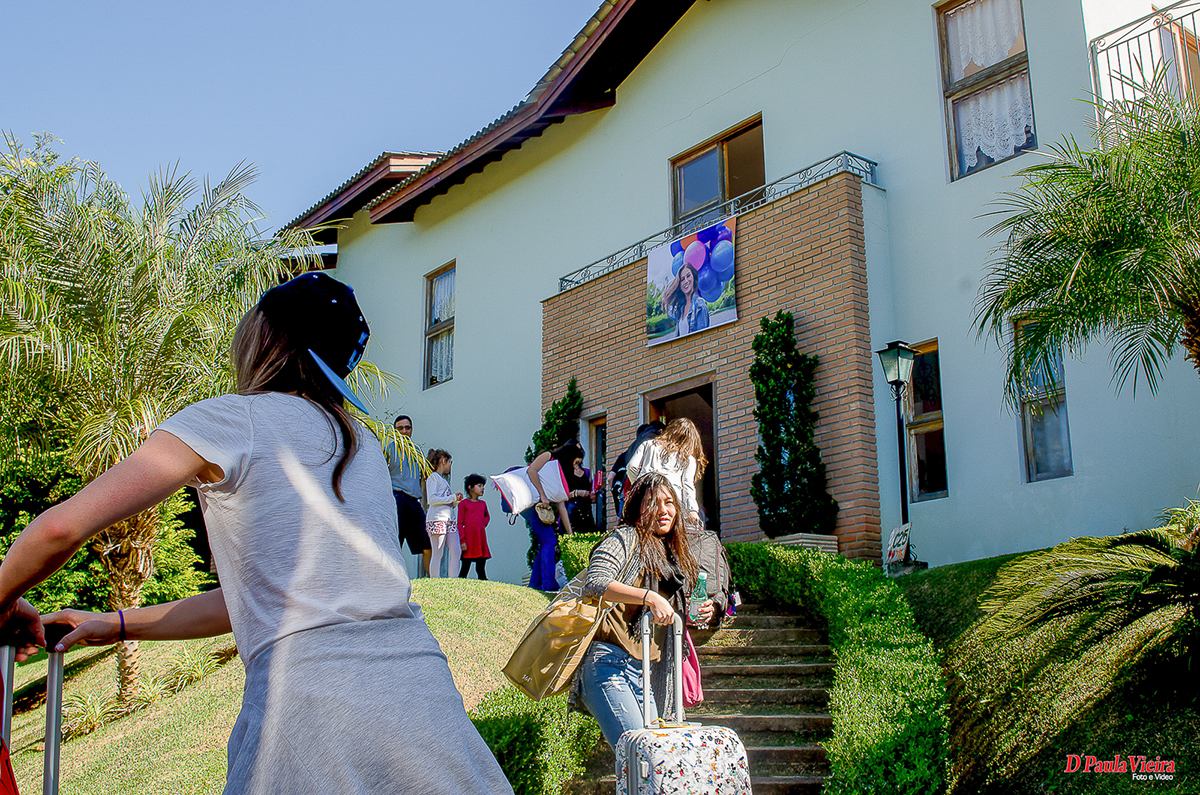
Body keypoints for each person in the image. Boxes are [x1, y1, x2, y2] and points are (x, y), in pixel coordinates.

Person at [0, 272, 513, 795]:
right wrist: (116, 624)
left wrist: (2, 599)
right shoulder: (360, 444)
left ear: (264, 337)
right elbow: (258, 602)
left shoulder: (230, 420)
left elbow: (61, 528)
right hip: (422, 693)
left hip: (311, 706)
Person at [571, 472, 713, 751]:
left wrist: (700, 612)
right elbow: (595, 583)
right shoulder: (625, 539)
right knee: (642, 756)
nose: (663, 510)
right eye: (652, 502)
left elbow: (672, 613)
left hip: (643, 671)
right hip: (608, 665)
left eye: (669, 502)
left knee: (654, 761)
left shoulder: (672, 557)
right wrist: (649, 597)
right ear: (637, 508)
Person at [626, 418, 706, 528]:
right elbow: (688, 487)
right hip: (672, 502)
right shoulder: (687, 458)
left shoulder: (648, 444)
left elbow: (631, 467)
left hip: (648, 498)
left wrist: (642, 486)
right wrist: (692, 511)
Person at [524, 440, 581, 591]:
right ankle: (548, 584)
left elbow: (561, 504)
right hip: (532, 503)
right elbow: (531, 471)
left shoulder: (560, 474)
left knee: (546, 542)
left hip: (537, 505)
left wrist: (570, 534)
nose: (576, 467)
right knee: (549, 541)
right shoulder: (549, 456)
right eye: (576, 462)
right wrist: (543, 495)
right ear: (570, 457)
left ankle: (534, 585)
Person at [384, 414, 432, 578]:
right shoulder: (388, 449)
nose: (404, 431)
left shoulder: (417, 450)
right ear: (395, 430)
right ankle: (392, 580)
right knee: (396, 542)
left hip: (414, 501)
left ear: (411, 429)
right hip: (396, 497)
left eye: (408, 428)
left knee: (427, 545)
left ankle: (432, 582)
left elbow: (422, 478)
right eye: (400, 428)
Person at [607, 421, 665, 516]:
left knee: (627, 523)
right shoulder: (652, 445)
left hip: (626, 491)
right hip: (645, 492)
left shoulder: (627, 452)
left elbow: (610, 478)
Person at [425, 449, 461, 579]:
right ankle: (435, 580)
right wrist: (451, 498)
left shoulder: (443, 480)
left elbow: (447, 501)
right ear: (443, 461)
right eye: (449, 462)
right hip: (437, 519)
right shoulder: (433, 478)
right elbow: (432, 499)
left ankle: (453, 579)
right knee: (438, 552)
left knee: (456, 551)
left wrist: (455, 501)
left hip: (449, 519)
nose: (449, 465)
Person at [457, 474, 491, 580]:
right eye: (479, 486)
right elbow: (459, 523)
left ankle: (485, 585)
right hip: (469, 540)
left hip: (480, 539)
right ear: (470, 487)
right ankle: (459, 584)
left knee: (481, 567)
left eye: (482, 486)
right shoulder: (464, 504)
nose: (483, 488)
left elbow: (487, 517)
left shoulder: (483, 504)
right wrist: (462, 540)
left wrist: (481, 524)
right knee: (465, 567)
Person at [663, 262, 710, 337]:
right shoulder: (681, 307)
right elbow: (671, 315)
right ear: (679, 284)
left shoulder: (699, 305)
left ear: (693, 277)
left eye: (688, 276)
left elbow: (702, 337)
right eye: (682, 279)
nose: (686, 281)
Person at [565, 452, 596, 536]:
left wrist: (592, 495)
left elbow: (589, 488)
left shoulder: (586, 472)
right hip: (573, 510)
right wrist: (577, 493)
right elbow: (561, 496)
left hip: (586, 510)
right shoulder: (565, 473)